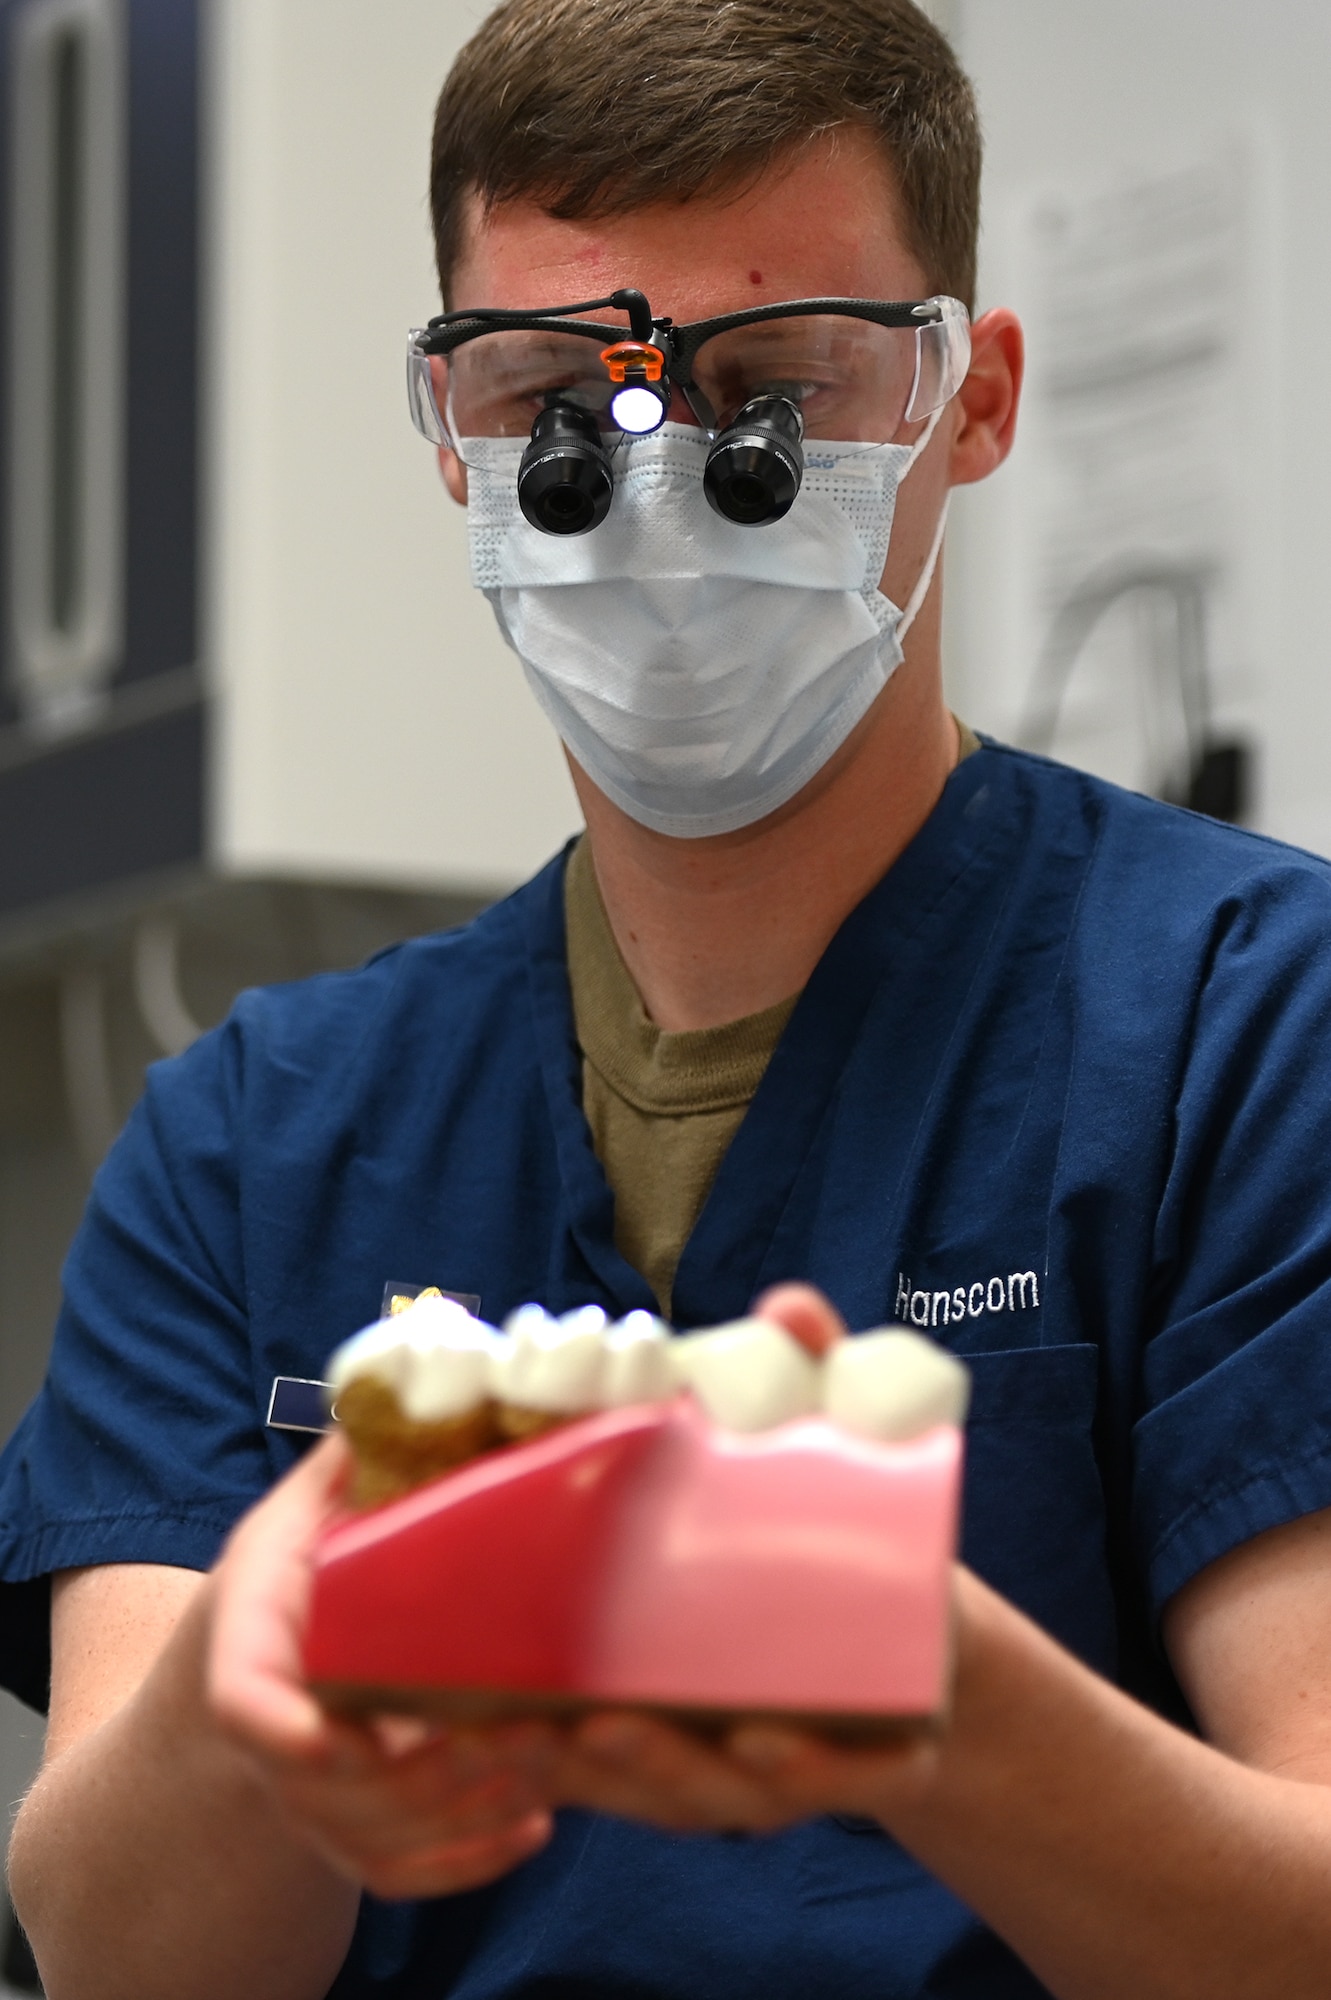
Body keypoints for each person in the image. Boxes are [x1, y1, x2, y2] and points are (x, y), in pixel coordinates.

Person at [5, 1, 1331, 1994]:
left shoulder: (1248, 1026)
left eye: (775, 385)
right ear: (447, 430)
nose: (653, 482)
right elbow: (115, 1951)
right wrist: (247, 1692)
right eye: (546, 388)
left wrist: (931, 1686)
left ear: (973, 401)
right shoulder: (251, 1140)